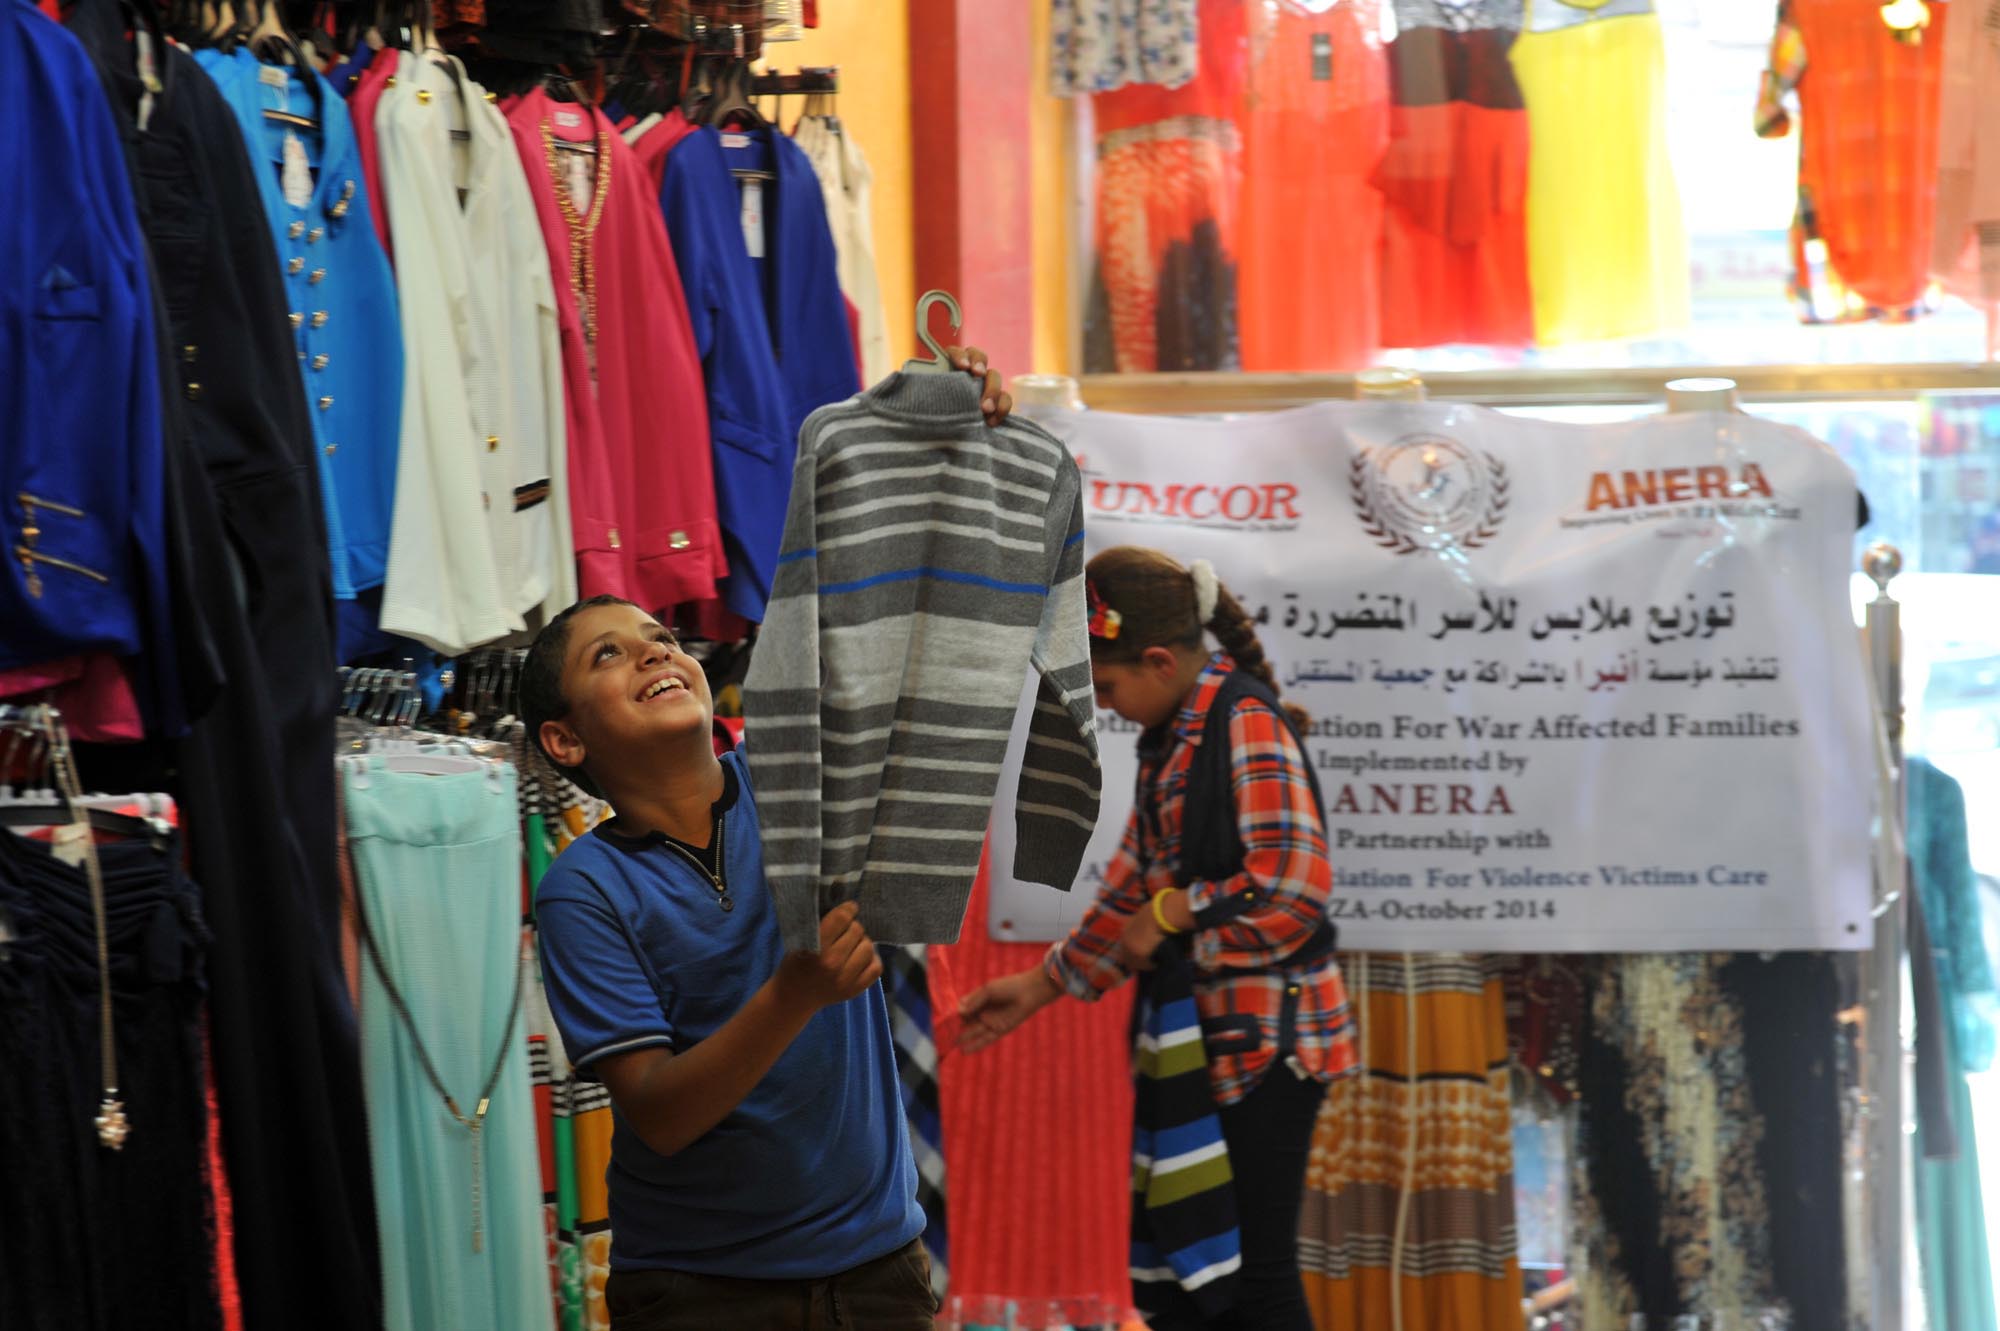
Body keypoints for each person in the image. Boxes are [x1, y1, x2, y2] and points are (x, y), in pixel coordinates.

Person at [522, 353, 1010, 1331]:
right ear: (565, 739)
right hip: (701, 1293)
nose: (655, 649)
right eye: (608, 654)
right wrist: (793, 992)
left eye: (660, 633)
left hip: (878, 1271)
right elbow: (656, 1111)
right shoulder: (584, 890)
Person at [957, 546, 1355, 1331]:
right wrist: (1040, 985)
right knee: (1196, 1275)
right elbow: (1134, 883)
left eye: (1107, 687)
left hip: (1271, 1043)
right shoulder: (1177, 738)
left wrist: (1174, 915)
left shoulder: (1243, 723)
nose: (1107, 706)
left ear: (1161, 659)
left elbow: (1291, 883)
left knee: (1252, 1274)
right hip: (1215, 1038)